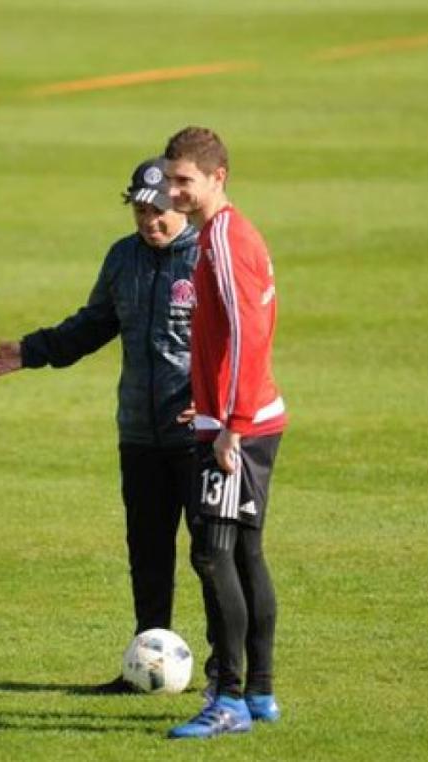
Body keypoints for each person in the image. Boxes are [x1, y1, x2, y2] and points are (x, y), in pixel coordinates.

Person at [0, 157, 201, 693]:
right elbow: (95, 323)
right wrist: (33, 350)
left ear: (182, 203)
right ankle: (146, 666)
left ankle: (226, 676)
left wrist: (217, 402)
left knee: (213, 558)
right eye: (141, 211)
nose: (150, 221)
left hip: (199, 434)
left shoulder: (208, 257)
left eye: (160, 210)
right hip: (139, 432)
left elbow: (237, 343)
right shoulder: (122, 257)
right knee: (147, 552)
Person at [161, 126, 288, 739]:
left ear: (218, 178)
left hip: (240, 428)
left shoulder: (226, 239)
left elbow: (247, 337)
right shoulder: (220, 233)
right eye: (171, 178)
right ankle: (259, 691)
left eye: (184, 180)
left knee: (212, 552)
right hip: (241, 415)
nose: (174, 191)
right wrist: (207, 403)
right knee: (243, 551)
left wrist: (230, 428)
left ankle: (230, 699)